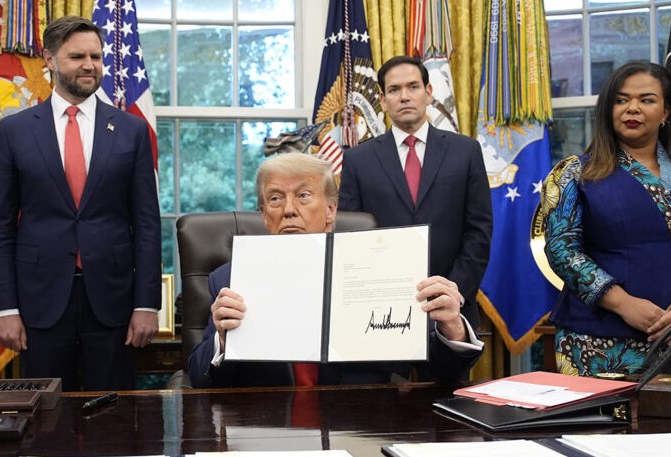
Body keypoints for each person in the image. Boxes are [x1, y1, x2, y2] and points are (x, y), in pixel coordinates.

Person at [188, 152, 483, 388]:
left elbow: (445, 372)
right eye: (275, 198)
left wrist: (453, 328)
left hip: (359, 424)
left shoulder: (385, 268)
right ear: (264, 215)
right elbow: (200, 380)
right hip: (269, 427)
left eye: (303, 195)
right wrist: (223, 341)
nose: (288, 209)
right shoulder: (230, 279)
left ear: (330, 210)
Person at [0, 16, 161, 391]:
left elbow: (147, 224)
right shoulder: (15, 130)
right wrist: (4, 308)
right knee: (45, 413)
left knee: (112, 412)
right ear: (49, 59)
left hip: (113, 302)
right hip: (39, 302)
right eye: (77, 56)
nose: (89, 65)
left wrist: (147, 304)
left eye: (96, 57)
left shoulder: (130, 130)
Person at [539, 61, 671, 376]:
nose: (632, 108)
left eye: (646, 100)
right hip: (597, 342)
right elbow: (562, 250)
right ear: (608, 110)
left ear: (666, 113)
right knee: (604, 413)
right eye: (621, 100)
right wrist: (624, 304)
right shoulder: (574, 173)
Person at [338, 55, 492, 329]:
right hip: (380, 310)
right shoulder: (358, 160)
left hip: (452, 307)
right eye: (394, 90)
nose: (404, 96)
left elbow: (479, 230)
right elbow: (351, 237)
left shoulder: (465, 151)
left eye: (413, 87)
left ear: (428, 92)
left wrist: (453, 292)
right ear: (383, 101)